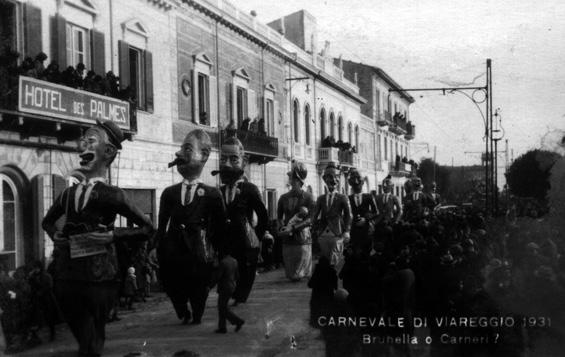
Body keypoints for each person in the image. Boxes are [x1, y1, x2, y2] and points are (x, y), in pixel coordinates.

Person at [42, 119, 154, 357]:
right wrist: (57, 235)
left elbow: (147, 228)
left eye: (90, 141)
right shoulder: (67, 194)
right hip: (67, 276)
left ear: (108, 152)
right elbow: (47, 222)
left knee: (92, 338)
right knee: (83, 335)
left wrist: (112, 236)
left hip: (100, 277)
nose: (82, 146)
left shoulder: (113, 195)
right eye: (83, 141)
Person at [155, 129, 226, 325]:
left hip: (200, 252)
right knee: (172, 285)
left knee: (199, 286)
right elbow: (162, 225)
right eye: (181, 149)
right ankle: (181, 309)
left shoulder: (212, 194)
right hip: (173, 251)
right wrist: (158, 246)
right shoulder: (169, 193)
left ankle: (197, 312)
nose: (179, 155)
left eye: (187, 149)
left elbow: (220, 227)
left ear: (203, 155)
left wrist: (220, 252)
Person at [217, 136, 268, 305]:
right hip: (226, 242)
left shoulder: (250, 189)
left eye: (233, 159)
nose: (227, 164)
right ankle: (230, 294)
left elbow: (263, 215)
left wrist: (256, 238)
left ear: (244, 161)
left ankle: (240, 297)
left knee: (245, 272)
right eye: (223, 159)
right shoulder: (219, 191)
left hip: (245, 243)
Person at [277, 162, 315, 281]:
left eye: (292, 177)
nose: (290, 180)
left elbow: (311, 219)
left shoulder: (309, 197)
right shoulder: (283, 198)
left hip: (302, 239)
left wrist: (293, 228)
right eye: (290, 177)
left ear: (298, 180)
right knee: (291, 274)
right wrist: (281, 227)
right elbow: (279, 217)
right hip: (288, 241)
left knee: (301, 275)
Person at [313, 163, 352, 271]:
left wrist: (347, 230)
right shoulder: (320, 198)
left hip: (337, 232)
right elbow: (315, 214)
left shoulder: (343, 197)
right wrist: (313, 228)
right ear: (324, 179)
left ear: (339, 179)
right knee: (325, 257)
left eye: (336, 177)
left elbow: (349, 214)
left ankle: (333, 275)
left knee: (335, 258)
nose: (333, 180)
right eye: (329, 176)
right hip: (323, 232)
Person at [210, 251, 244, 333]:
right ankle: (222, 327)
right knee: (222, 307)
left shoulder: (223, 262)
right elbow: (237, 276)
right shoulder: (234, 261)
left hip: (224, 287)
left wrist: (210, 286)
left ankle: (237, 321)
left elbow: (218, 277)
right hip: (231, 286)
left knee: (222, 308)